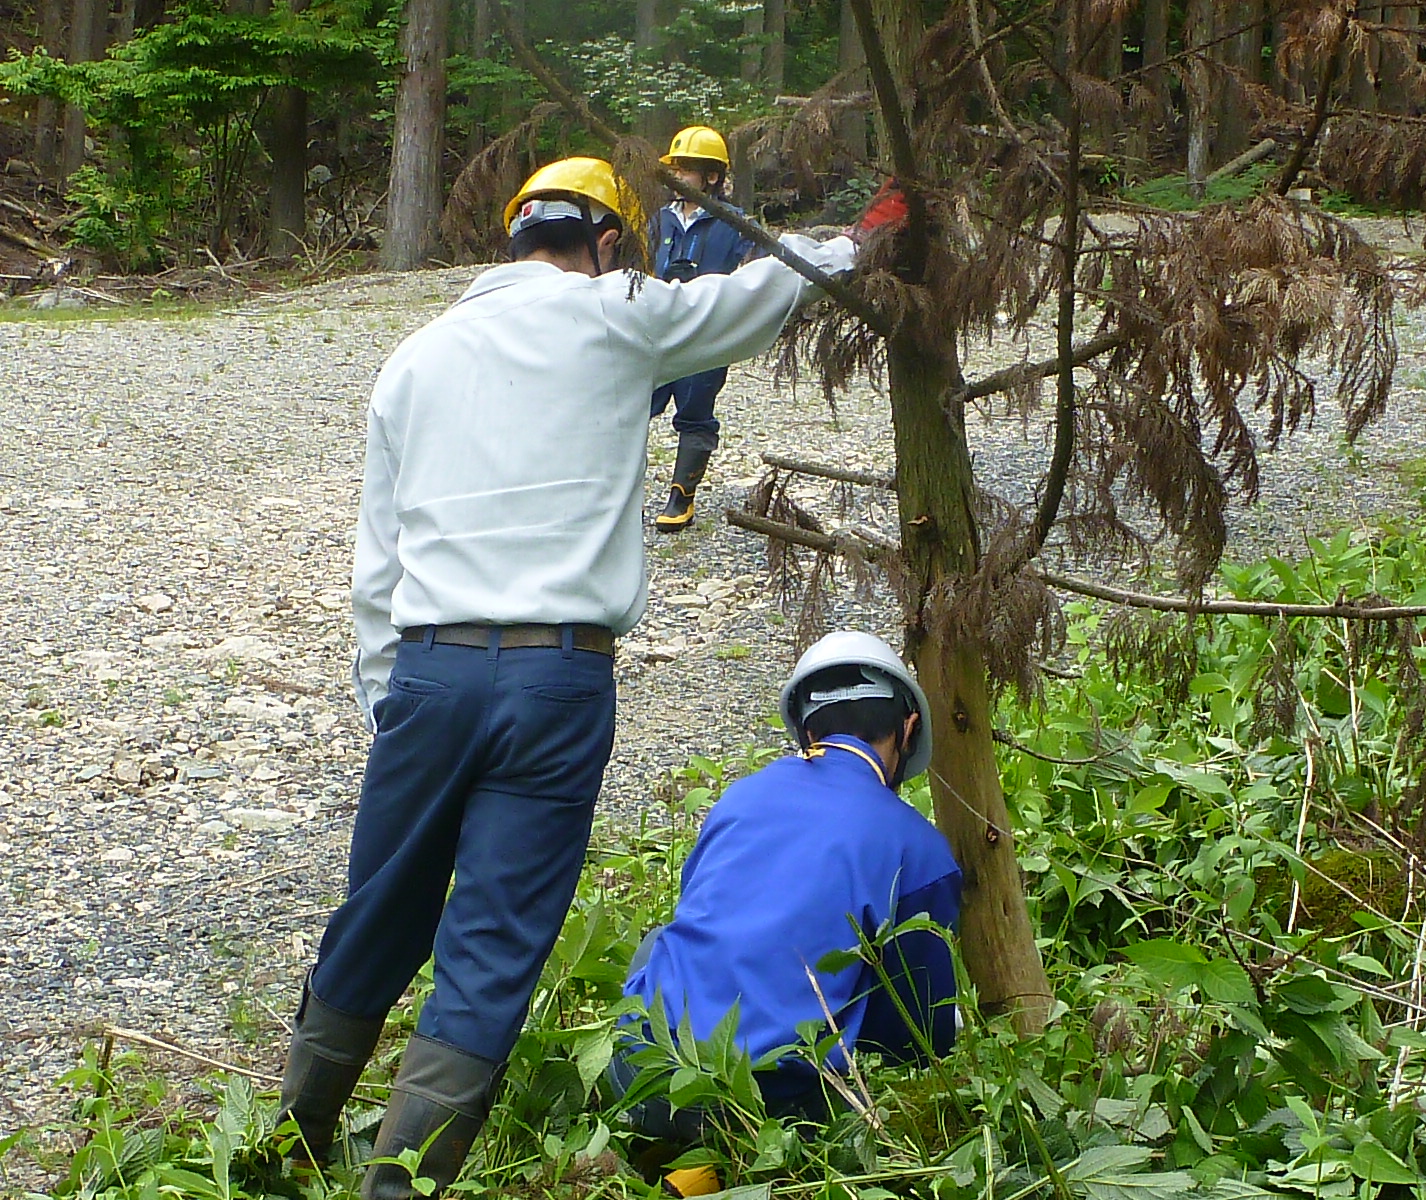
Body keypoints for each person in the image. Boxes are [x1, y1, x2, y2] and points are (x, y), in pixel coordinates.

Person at [272, 158, 893, 1200]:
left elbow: (375, 560)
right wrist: (860, 239)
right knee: (495, 937)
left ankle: (285, 1141)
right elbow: (757, 295)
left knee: (379, 907)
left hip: (427, 666)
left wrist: (390, 692)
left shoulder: (415, 358)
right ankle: (399, 1189)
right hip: (559, 677)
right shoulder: (617, 316)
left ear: (516, 235)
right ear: (608, 241)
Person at [608, 631, 962, 1154]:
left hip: (642, 1073)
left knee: (660, 938)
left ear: (803, 728)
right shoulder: (920, 849)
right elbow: (916, 1033)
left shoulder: (738, 798)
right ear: (908, 728)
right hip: (759, 1110)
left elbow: (698, 917)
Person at [649, 125, 755, 532]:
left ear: (711, 177)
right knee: (632, 406)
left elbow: (757, 273)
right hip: (658, 332)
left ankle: (681, 495)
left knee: (695, 413)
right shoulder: (659, 221)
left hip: (707, 337)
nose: (675, 177)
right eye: (672, 169)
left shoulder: (735, 223)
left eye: (685, 170)